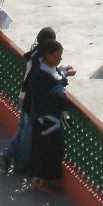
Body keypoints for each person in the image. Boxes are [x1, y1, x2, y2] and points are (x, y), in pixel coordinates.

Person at [1, 27, 57, 173]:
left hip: (23, 96)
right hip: (33, 100)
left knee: (24, 129)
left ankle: (7, 155)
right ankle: (22, 164)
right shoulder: (42, 60)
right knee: (27, 133)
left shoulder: (34, 54)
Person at [27, 39, 73, 194]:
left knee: (44, 150)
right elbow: (53, 93)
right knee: (47, 151)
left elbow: (57, 78)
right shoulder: (40, 74)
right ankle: (40, 182)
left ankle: (37, 180)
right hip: (47, 121)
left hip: (47, 120)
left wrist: (64, 73)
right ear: (47, 55)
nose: (60, 59)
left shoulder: (43, 68)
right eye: (57, 56)